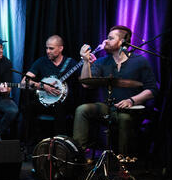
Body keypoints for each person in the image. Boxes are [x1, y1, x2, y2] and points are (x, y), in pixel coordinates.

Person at [73, 25, 159, 157]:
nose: (106, 41)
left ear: (122, 42)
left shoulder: (140, 61)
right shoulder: (102, 62)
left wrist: (132, 100)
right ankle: (78, 155)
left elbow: (152, 89)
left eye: (110, 38)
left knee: (124, 118)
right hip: (108, 108)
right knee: (82, 109)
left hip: (132, 110)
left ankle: (123, 163)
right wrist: (86, 62)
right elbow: (86, 84)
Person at [22, 35, 78, 141]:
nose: (48, 51)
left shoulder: (71, 63)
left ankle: (60, 144)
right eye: (47, 48)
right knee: (28, 108)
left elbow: (85, 82)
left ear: (61, 48)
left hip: (64, 103)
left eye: (51, 48)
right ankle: (32, 145)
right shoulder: (41, 62)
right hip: (44, 102)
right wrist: (42, 86)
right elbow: (24, 82)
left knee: (60, 109)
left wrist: (87, 63)